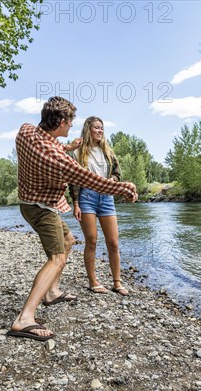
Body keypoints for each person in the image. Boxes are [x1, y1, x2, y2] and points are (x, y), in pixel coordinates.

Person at [8, 97, 138, 342]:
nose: (70, 128)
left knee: (68, 241)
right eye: (69, 123)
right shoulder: (59, 160)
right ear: (60, 122)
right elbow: (90, 180)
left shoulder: (25, 131)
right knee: (57, 258)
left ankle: (52, 292)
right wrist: (123, 188)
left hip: (30, 201)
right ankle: (24, 318)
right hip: (41, 208)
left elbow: (52, 149)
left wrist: (66, 148)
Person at [69, 116, 130, 296]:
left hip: (107, 198)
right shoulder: (78, 152)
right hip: (86, 197)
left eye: (102, 128)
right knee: (92, 241)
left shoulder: (108, 151)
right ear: (88, 129)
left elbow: (117, 173)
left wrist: (112, 180)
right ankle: (93, 281)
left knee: (113, 242)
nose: (100, 131)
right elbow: (73, 179)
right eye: (96, 128)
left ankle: (117, 282)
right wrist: (76, 203)